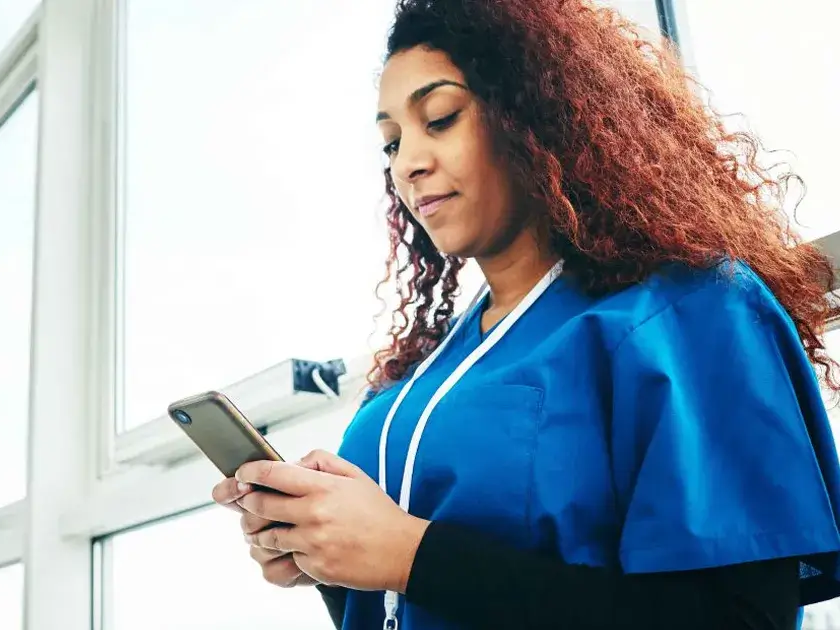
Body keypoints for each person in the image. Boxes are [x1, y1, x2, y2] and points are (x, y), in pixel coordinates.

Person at [210, 1, 840, 629]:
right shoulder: (408, 385)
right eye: (391, 143)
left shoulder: (690, 313)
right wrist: (327, 556)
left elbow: (738, 617)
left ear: (536, 115)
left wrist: (412, 556)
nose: (407, 163)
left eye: (440, 118)